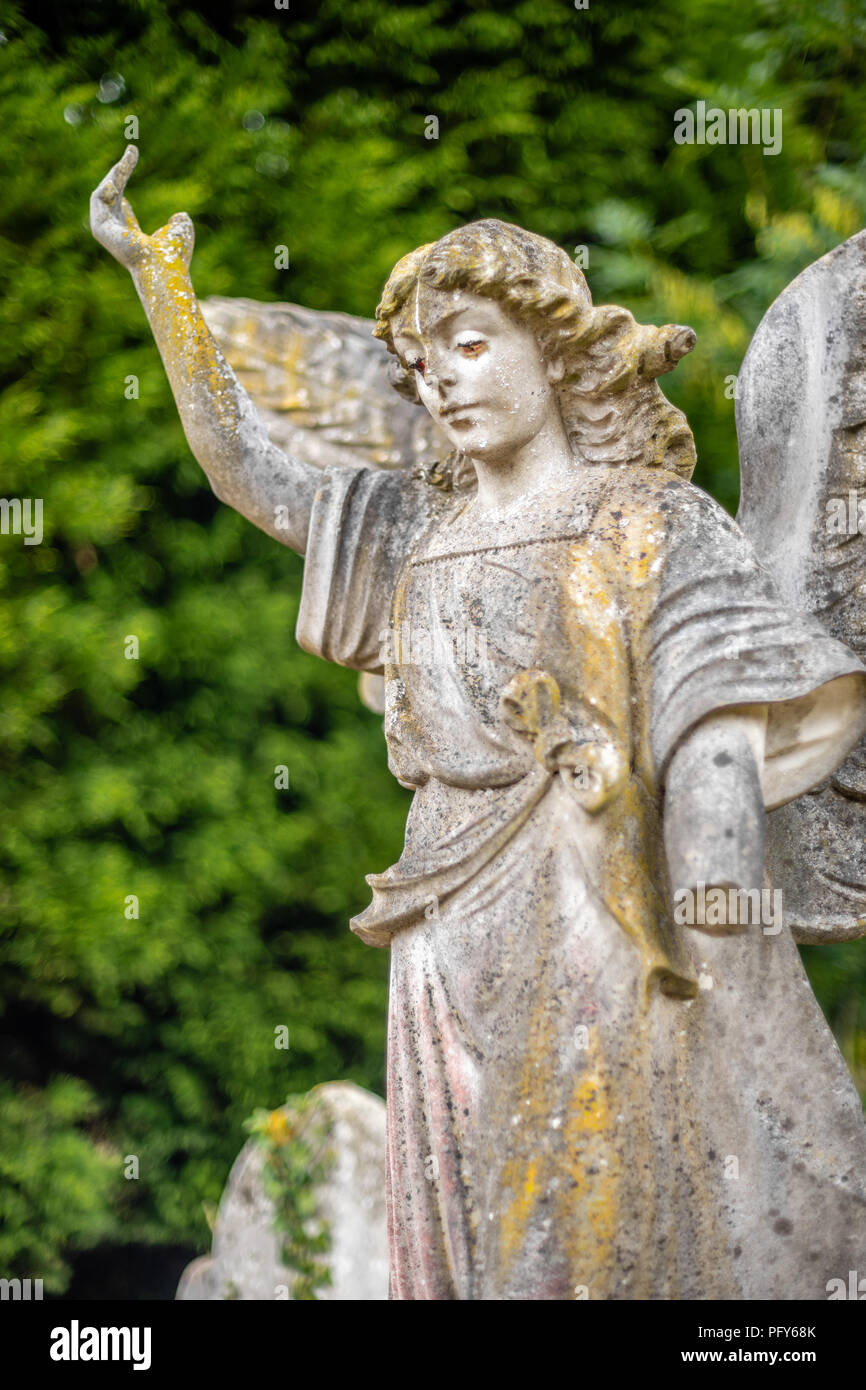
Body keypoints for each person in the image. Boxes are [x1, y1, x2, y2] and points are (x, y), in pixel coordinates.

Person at [92, 147, 866, 1300]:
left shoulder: (643, 518)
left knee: (596, 1230)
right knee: (473, 1242)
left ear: (553, 350)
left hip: (600, 910)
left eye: (468, 344)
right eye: (418, 361)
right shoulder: (415, 535)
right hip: (443, 932)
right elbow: (245, 469)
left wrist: (708, 916)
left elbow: (719, 714)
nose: (442, 380)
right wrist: (167, 297)